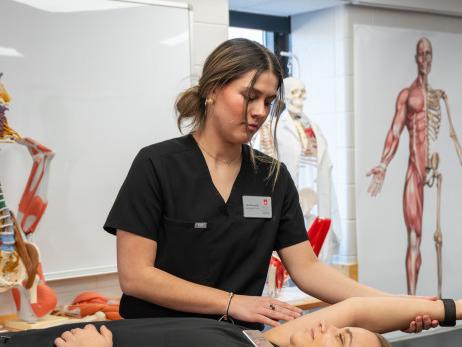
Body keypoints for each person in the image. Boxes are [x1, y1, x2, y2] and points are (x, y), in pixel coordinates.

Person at [103, 38, 436, 332]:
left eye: (268, 101)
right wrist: (232, 302)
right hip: (159, 337)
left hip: (237, 340)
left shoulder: (270, 177)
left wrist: (396, 304)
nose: (260, 112)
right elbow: (135, 276)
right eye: (250, 96)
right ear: (212, 90)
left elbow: (308, 270)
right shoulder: (157, 165)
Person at [367, 37, 462, 297]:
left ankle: (443, 305)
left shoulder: (440, 97)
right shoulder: (407, 95)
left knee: (440, 237)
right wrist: (384, 164)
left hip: (438, 173)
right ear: (416, 59)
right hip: (415, 170)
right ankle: (411, 303)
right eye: (421, 54)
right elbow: (395, 131)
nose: (425, 60)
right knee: (413, 239)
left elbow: (453, 135)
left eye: (429, 54)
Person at [4, 296, 459, 346]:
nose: (324, 324)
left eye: (339, 342)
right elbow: (356, 309)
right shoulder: (261, 342)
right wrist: (450, 310)